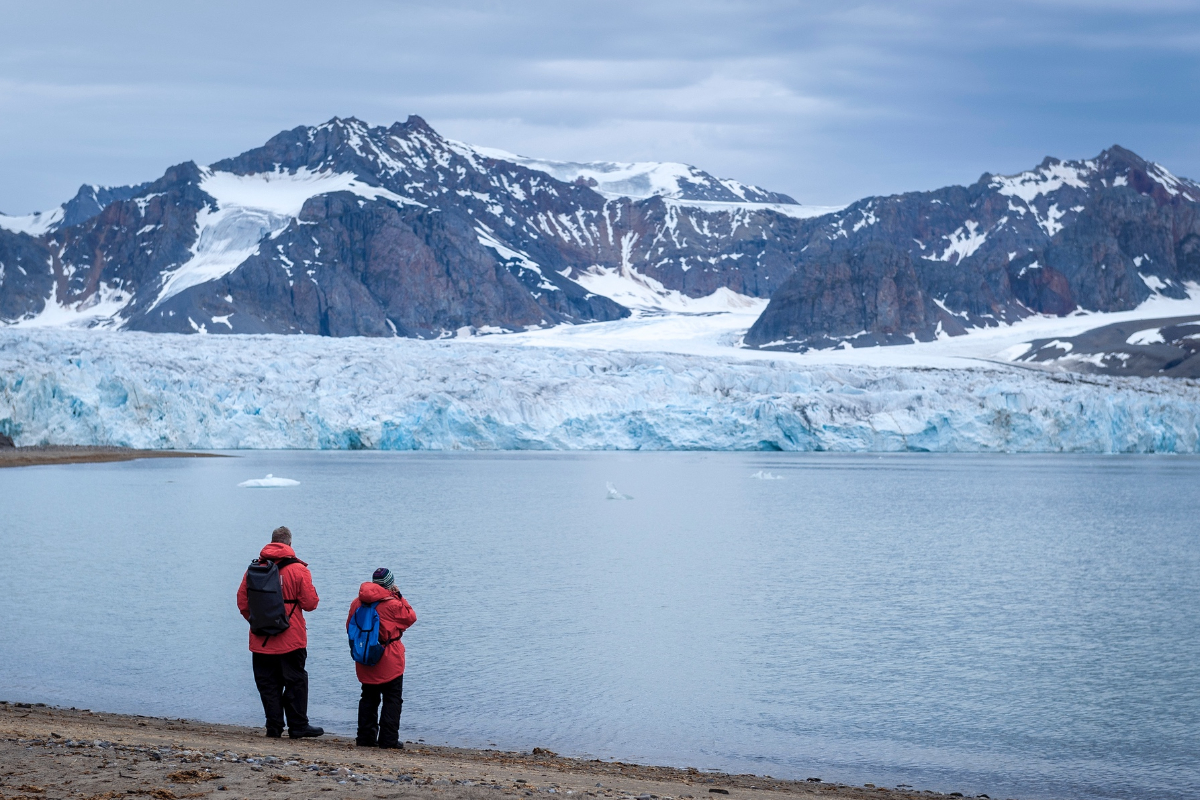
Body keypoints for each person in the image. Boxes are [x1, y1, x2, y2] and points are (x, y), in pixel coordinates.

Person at [236, 526, 324, 739]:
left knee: (268, 684)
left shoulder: (254, 569)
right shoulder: (298, 570)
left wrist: (258, 621)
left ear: (272, 542)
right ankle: (298, 726)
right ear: (289, 544)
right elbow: (311, 604)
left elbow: (242, 602)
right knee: (296, 682)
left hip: (261, 639)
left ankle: (273, 727)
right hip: (291, 637)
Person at [346, 568, 417, 748]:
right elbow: (411, 617)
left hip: (365, 656)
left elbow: (350, 627)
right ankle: (388, 739)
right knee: (392, 698)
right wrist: (399, 594)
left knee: (368, 697)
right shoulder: (393, 604)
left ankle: (365, 738)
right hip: (389, 658)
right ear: (389, 584)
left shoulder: (357, 602)